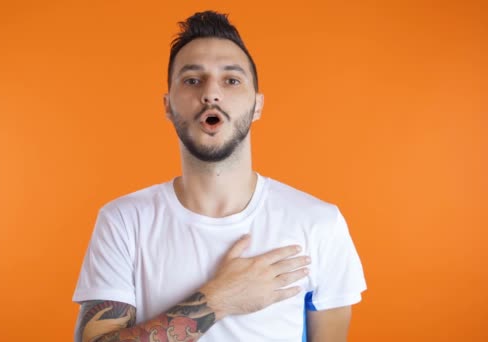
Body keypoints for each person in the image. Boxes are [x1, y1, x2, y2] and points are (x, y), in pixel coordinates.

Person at [72, 10, 366, 342]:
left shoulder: (319, 224)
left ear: (257, 105)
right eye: (192, 80)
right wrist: (219, 300)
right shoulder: (123, 222)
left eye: (231, 80)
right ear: (168, 106)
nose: (211, 94)